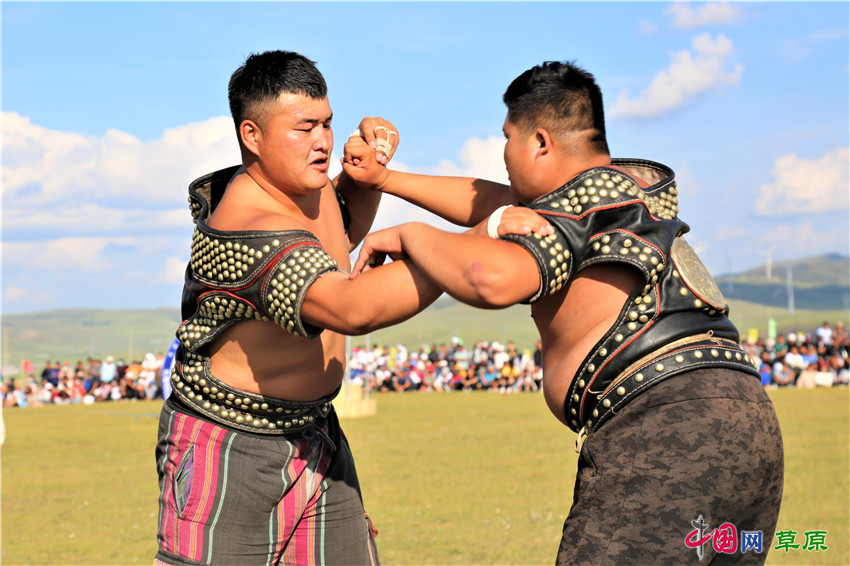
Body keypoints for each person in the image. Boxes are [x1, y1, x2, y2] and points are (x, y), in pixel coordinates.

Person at [350, 60, 784, 564]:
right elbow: (494, 204)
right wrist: (388, 180)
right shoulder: (626, 191)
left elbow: (489, 278)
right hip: (744, 418)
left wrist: (408, 233)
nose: (505, 156)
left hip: (666, 429)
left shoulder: (579, 209)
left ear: (539, 142)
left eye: (506, 139)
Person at [153, 50, 443, 566]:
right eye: (304, 127)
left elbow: (339, 232)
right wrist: (470, 252)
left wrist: (362, 171)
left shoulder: (306, 191)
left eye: (328, 123)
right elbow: (353, 308)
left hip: (316, 434)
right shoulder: (247, 225)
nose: (323, 140)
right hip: (229, 448)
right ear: (252, 136)